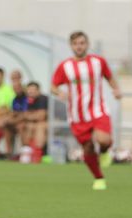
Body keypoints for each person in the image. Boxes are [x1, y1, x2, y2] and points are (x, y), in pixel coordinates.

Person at [51, 31, 122, 190]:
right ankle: (99, 178)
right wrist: (60, 93)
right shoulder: (65, 66)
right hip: (77, 116)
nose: (79, 46)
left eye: (82, 43)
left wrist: (116, 89)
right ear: (71, 46)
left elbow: (109, 77)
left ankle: (104, 151)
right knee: (88, 147)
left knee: (103, 140)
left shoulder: (98, 62)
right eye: (76, 44)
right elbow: (53, 86)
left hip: (98, 110)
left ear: (87, 44)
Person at [22, 82, 48, 163]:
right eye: (29, 90)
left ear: (38, 90)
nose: (30, 92)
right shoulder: (27, 100)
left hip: (55, 123)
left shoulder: (42, 99)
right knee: (28, 126)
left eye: (32, 90)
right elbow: (24, 115)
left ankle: (37, 155)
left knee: (40, 126)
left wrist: (30, 116)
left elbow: (41, 116)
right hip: (37, 123)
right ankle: (27, 152)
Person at [3, 70, 28, 156]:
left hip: (24, 121)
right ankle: (9, 153)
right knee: (7, 127)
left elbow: (25, 114)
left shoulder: (26, 97)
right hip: (16, 121)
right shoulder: (14, 99)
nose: (16, 89)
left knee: (21, 126)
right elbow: (14, 112)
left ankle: (24, 152)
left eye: (18, 88)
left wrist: (13, 119)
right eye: (15, 88)